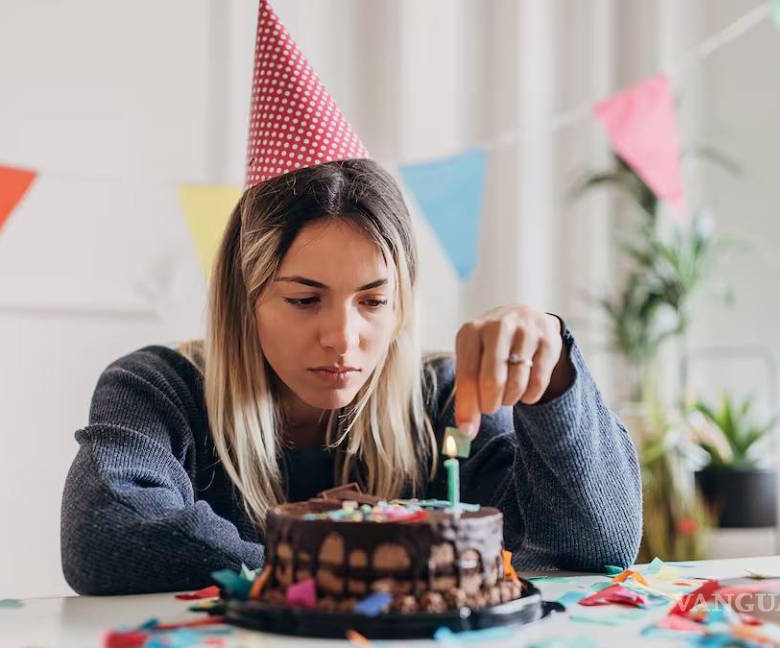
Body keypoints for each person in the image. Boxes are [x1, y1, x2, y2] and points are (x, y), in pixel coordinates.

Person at [60, 0, 641, 597]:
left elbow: (592, 550)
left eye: (372, 301)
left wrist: (554, 383)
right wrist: (360, 558)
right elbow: (106, 536)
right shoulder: (159, 391)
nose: (342, 337)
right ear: (245, 297)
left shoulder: (442, 401)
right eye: (304, 300)